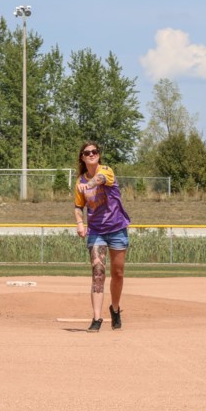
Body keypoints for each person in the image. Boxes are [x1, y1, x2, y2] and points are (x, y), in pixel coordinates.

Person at [73, 141, 130, 332]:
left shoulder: (106, 170)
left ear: (99, 155)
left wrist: (87, 185)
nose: (91, 154)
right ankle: (97, 318)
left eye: (94, 151)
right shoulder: (79, 181)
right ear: (82, 157)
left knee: (118, 273)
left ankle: (115, 309)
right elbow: (78, 206)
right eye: (87, 152)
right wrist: (80, 223)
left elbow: (98, 180)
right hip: (96, 230)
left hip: (117, 228)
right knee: (98, 272)